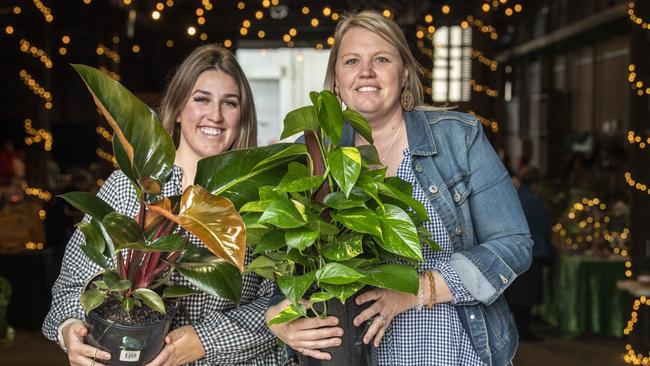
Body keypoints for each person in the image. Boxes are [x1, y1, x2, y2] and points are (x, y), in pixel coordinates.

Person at [265, 10, 533, 366]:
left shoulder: (458, 137)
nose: (366, 72)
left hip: (447, 350)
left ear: (404, 72)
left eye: (381, 59)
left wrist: (417, 290)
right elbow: (286, 267)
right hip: (352, 353)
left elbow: (514, 244)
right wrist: (279, 321)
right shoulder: (314, 153)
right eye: (352, 61)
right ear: (336, 81)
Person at [43, 45, 284, 366]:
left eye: (230, 103)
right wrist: (70, 327)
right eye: (202, 99)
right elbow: (72, 285)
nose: (216, 114)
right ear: (180, 108)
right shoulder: (130, 186)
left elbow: (280, 305)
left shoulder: (261, 197)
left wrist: (205, 341)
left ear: (242, 116)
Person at [506, 166, 552, 341]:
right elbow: (545, 224)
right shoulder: (534, 201)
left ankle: (516, 328)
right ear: (536, 183)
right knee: (527, 293)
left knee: (516, 291)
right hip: (533, 250)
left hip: (513, 250)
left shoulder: (512, 196)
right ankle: (524, 329)